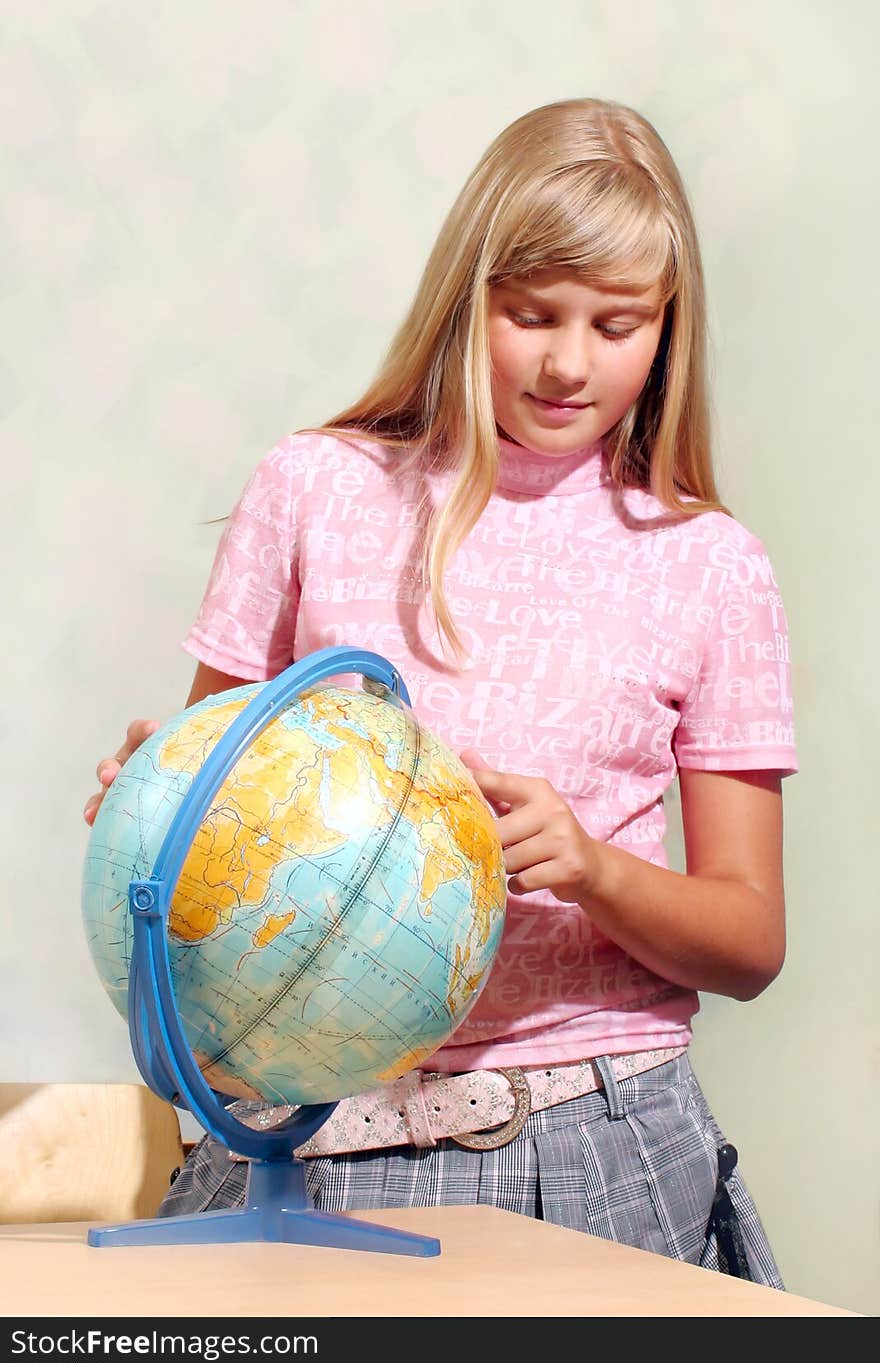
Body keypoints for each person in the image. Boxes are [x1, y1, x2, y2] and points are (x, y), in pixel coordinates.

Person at [83, 97, 797, 1285]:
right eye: (531, 314)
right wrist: (154, 799)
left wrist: (594, 865)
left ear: (669, 328)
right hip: (298, 1144)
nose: (570, 361)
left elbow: (750, 938)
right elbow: (212, 803)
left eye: (617, 324)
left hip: (584, 1145)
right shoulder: (312, 489)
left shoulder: (711, 564)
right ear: (468, 297)